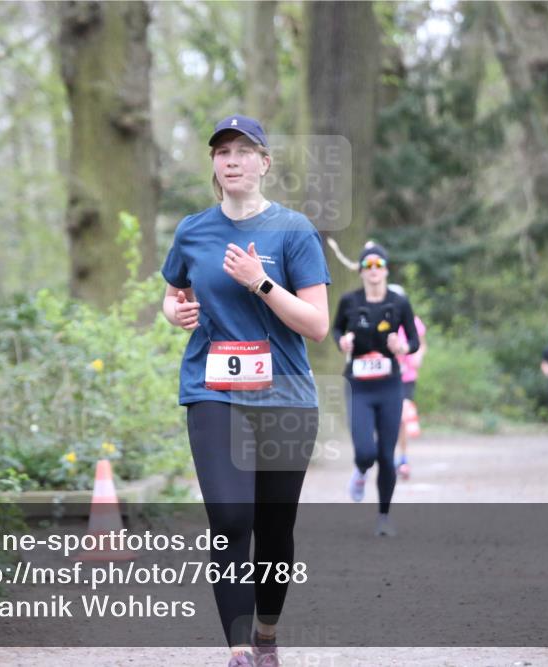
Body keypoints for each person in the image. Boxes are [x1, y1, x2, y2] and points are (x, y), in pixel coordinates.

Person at [161, 115, 331, 667]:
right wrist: (176, 311)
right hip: (214, 390)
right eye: (221, 152)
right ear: (213, 164)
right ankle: (237, 652)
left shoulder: (293, 230)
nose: (230, 160)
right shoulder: (193, 230)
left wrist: (260, 282)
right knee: (231, 520)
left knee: (275, 530)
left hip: (284, 396)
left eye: (242, 151)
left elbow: (316, 324)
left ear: (264, 162)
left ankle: (266, 633)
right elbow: (172, 293)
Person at [332, 243, 420, 537]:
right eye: (367, 266)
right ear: (360, 271)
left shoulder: (398, 303)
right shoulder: (349, 301)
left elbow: (415, 342)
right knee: (366, 451)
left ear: (386, 270)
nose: (373, 271)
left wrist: (402, 347)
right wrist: (342, 342)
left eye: (378, 265)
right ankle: (359, 471)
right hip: (358, 384)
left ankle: (383, 516)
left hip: (389, 385)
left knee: (385, 454)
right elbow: (336, 330)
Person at [387, 284, 426, 480]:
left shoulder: (413, 321)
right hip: (386, 376)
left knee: (401, 417)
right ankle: (388, 458)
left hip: (406, 376)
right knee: (388, 420)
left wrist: (418, 355)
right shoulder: (381, 319)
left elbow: (421, 342)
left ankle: (402, 459)